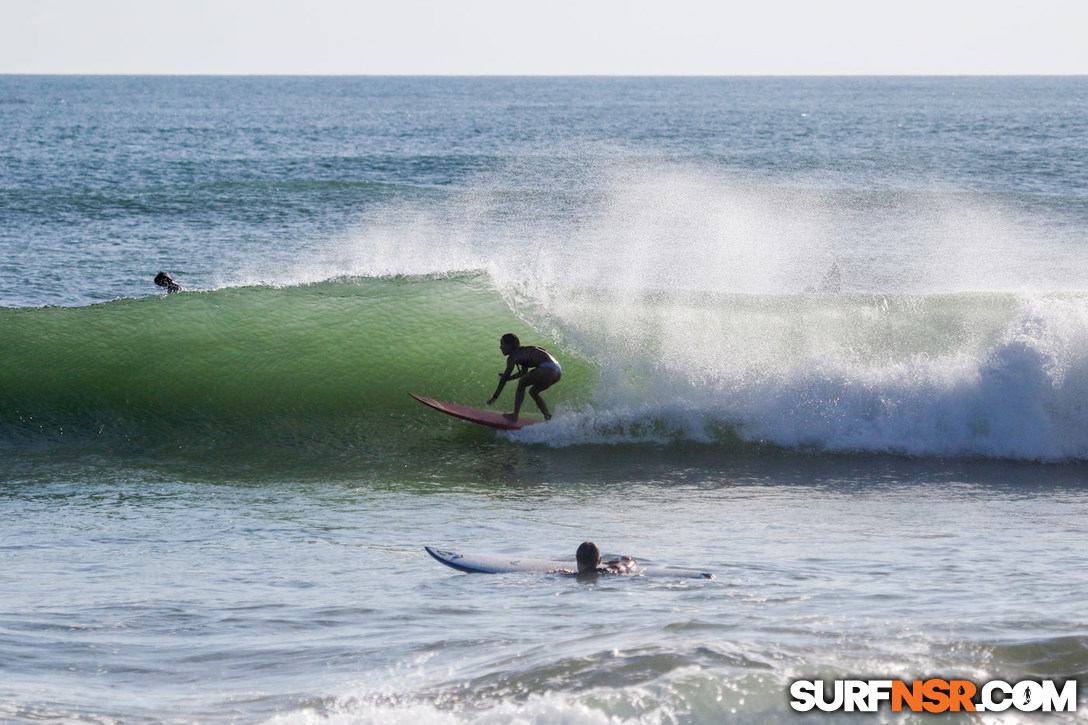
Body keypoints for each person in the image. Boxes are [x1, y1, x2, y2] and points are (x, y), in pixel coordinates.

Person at [486, 333, 561, 422]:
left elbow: (504, 380)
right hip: (557, 371)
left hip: (547, 368)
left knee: (522, 383)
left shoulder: (513, 356)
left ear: (510, 345)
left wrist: (495, 397)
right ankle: (547, 416)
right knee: (533, 392)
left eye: (502, 344)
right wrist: (509, 378)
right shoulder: (524, 351)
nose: (500, 347)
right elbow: (523, 372)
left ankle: (515, 415)